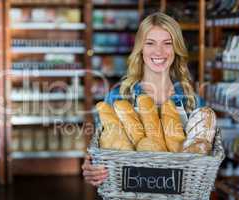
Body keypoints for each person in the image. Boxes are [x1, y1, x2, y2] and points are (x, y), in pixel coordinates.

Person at [82, 12, 204, 187]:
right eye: (150, 43)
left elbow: (206, 157)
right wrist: (91, 166)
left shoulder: (192, 101)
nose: (159, 51)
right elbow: (100, 147)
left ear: (176, 48)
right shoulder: (118, 97)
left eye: (167, 43)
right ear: (140, 48)